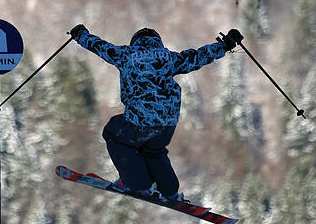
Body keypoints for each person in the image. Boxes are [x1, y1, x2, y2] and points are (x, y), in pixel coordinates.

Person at [68, 24, 242, 201]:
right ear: (157, 43)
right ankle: (169, 190)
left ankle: (137, 184)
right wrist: (225, 45)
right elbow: (198, 57)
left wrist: (80, 35)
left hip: (140, 120)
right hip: (167, 122)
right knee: (153, 149)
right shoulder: (169, 58)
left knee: (113, 134)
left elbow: (99, 46)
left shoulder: (126, 55)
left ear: (135, 42)